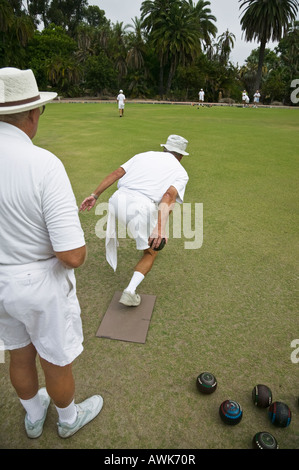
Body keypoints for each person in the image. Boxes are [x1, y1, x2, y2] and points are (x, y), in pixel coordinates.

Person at [0, 67, 103, 439]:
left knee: (19, 353)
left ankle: (32, 416)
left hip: (1, 281)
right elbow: (72, 255)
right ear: (32, 114)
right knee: (55, 360)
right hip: (39, 282)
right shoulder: (43, 164)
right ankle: (68, 419)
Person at [80, 135, 190, 307]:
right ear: (181, 156)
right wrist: (160, 230)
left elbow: (117, 173)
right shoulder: (181, 173)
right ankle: (130, 292)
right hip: (139, 208)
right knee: (152, 251)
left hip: (117, 201)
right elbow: (168, 197)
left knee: (147, 227)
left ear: (165, 148)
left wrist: (94, 195)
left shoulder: (143, 155)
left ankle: (144, 240)